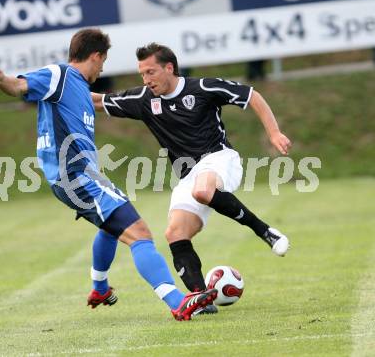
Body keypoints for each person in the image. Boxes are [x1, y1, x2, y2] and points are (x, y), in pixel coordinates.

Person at [0, 30, 216, 321]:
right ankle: (178, 302)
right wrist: (2, 80)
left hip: (84, 175)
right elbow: (20, 86)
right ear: (96, 56)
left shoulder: (77, 86)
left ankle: (100, 288)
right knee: (139, 233)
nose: (103, 68)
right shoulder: (61, 75)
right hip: (75, 176)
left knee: (111, 227)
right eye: (103, 61)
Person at [91, 43, 291, 314]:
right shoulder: (143, 99)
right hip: (188, 175)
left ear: (169, 68)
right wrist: (58, 93)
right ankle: (201, 299)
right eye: (142, 74)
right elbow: (98, 101)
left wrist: (274, 133)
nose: (146, 79)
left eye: (151, 72)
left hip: (220, 159)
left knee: (203, 190)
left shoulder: (203, 88)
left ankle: (264, 230)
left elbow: (251, 95)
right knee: (175, 233)